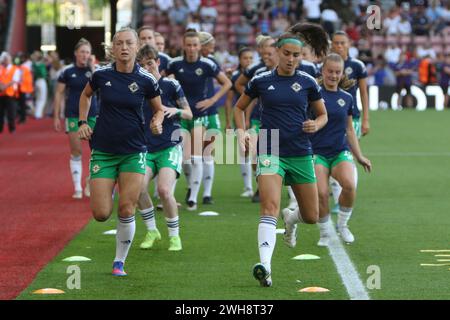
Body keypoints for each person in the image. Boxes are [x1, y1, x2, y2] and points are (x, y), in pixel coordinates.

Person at [234, 28, 329, 287]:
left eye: (296, 55)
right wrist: (242, 133)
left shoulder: (308, 82)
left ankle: (291, 219)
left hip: (300, 151)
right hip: (270, 148)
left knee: (311, 215)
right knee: (269, 207)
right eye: (286, 53)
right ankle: (265, 266)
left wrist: (316, 125)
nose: (291, 59)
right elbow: (239, 108)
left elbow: (322, 115)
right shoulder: (261, 81)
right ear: (276, 52)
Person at [78, 28, 164, 277]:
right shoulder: (101, 75)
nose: (124, 48)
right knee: (101, 214)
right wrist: (83, 122)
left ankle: (119, 262)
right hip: (103, 150)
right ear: (112, 48)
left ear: (137, 47)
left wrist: (157, 120)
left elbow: (158, 109)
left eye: (129, 43)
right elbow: (85, 96)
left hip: (134, 151)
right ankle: (101, 186)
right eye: (119, 43)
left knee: (126, 208)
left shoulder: (147, 79)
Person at [310, 53, 371, 246]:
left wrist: (359, 156)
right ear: (323, 71)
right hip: (317, 153)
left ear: (342, 73)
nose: (333, 75)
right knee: (321, 193)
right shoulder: (313, 95)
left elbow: (349, 130)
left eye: (337, 72)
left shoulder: (346, 98)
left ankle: (343, 225)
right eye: (330, 71)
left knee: (350, 185)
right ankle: (325, 232)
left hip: (339, 151)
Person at [136, 44, 192, 251]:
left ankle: (174, 236)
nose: (147, 68)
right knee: (138, 189)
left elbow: (189, 113)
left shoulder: (171, 85)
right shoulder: (138, 87)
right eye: (142, 65)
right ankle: (152, 230)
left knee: (164, 190)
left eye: (150, 63)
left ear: (158, 63)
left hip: (169, 146)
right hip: (145, 148)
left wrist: (173, 110)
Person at [167, 30, 231, 211]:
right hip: (181, 116)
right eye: (188, 44)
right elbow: (159, 79)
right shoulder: (174, 64)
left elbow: (227, 83)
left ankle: (193, 199)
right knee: (183, 159)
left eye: (195, 45)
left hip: (200, 116)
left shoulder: (207, 64)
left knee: (197, 157)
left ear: (199, 46)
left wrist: (212, 100)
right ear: (183, 45)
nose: (192, 48)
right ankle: (182, 192)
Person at [330, 30, 370, 213]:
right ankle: (339, 196)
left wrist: (366, 120)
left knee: (346, 152)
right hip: (331, 118)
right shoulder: (327, 65)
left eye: (342, 43)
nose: (339, 46)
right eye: (336, 43)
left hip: (351, 117)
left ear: (348, 45)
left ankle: (343, 197)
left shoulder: (357, 65)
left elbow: (363, 93)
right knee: (332, 154)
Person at [53, 38, 97, 199]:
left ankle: (93, 182)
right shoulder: (67, 71)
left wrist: (92, 68)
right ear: (76, 53)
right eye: (82, 52)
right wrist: (56, 116)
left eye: (87, 52)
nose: (84, 55)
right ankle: (77, 187)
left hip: (93, 114)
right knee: (76, 150)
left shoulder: (95, 70)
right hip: (73, 115)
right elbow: (58, 93)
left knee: (98, 151)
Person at [234, 35, 275, 203]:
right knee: (254, 153)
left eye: (269, 53)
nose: (266, 57)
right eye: (263, 53)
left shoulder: (289, 70)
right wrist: (253, 99)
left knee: (278, 154)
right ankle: (261, 183)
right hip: (259, 117)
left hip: (279, 120)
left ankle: (277, 186)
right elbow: (238, 84)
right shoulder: (257, 71)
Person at [225, 47, 254, 197]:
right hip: (240, 117)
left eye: (251, 58)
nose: (248, 61)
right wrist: (228, 121)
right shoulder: (235, 77)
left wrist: (249, 118)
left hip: (257, 116)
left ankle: (261, 187)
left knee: (263, 151)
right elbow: (230, 100)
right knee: (245, 151)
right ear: (240, 60)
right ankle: (248, 187)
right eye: (245, 58)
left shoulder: (258, 74)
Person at [0, 52, 20, 133]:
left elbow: (15, 80)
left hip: (11, 94)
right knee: (0, 113)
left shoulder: (15, 69)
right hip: (1, 94)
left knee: (11, 112)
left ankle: (12, 128)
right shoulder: (1, 68)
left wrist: (4, 86)